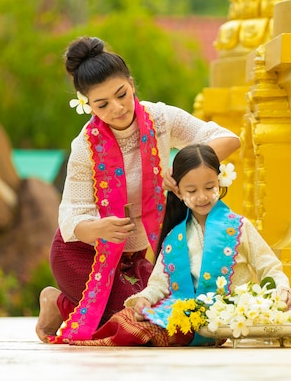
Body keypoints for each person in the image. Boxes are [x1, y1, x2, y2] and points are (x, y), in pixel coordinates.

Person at [35, 37, 240, 343]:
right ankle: (59, 304)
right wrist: (97, 228)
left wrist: (183, 168)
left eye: (122, 95)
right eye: (102, 104)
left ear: (131, 84)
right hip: (83, 255)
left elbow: (228, 138)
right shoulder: (84, 148)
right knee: (143, 321)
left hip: (134, 257)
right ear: (86, 105)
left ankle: (70, 304)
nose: (117, 109)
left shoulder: (159, 118)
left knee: (180, 313)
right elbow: (70, 218)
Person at [70, 144, 291, 347]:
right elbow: (159, 284)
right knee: (126, 319)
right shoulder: (175, 237)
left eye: (209, 187)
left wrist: (282, 290)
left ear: (220, 181)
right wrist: (145, 300)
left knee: (141, 331)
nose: (202, 197)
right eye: (192, 190)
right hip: (184, 316)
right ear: (178, 191)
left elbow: (268, 266)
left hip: (229, 318)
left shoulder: (240, 227)